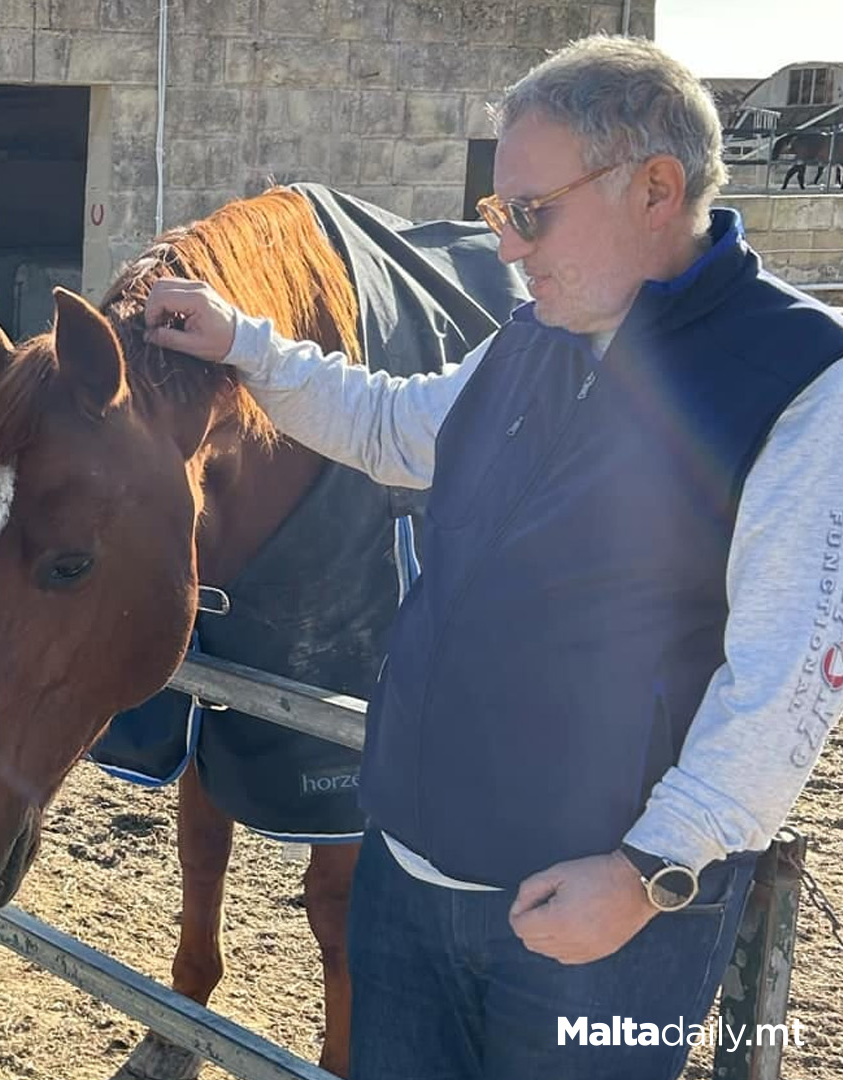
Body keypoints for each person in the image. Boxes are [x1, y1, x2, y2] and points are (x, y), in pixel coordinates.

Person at [144, 35, 843, 1080]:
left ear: (657, 188)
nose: (509, 247)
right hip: (408, 876)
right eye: (498, 214)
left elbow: (789, 683)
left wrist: (650, 872)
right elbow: (392, 425)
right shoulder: (536, 334)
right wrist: (243, 342)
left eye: (532, 212)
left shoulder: (797, 381)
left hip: (594, 922)